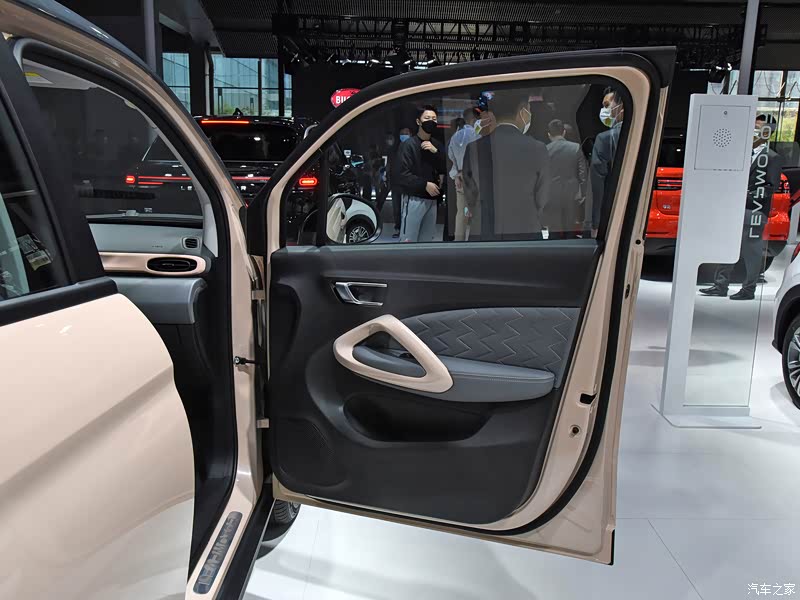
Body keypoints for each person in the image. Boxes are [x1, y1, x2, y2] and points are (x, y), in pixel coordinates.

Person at [700, 114, 784, 300]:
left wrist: (745, 196)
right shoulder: (740, 153)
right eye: (753, 127)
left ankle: (748, 289)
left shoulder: (772, 158)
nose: (754, 131)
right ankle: (720, 285)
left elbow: (770, 187)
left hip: (753, 210)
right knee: (727, 245)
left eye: (758, 128)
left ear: (768, 132)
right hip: (733, 208)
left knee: (751, 251)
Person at [462, 89, 550, 240]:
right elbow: (543, 197)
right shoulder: (538, 148)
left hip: (484, 230)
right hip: (526, 229)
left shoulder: (473, 148)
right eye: (529, 109)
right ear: (522, 111)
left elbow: (470, 195)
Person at [396, 106, 446, 242]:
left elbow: (445, 168)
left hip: (432, 199)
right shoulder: (408, 145)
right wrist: (424, 184)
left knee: (427, 241)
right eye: (427, 118)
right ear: (418, 121)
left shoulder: (437, 145)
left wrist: (436, 152)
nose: (431, 121)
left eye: (434, 119)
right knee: (408, 239)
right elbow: (402, 174)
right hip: (414, 198)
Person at [543, 119, 586, 239]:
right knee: (570, 228)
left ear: (549, 134)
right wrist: (583, 194)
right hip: (572, 194)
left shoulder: (544, 150)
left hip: (551, 194)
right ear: (564, 132)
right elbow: (582, 174)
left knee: (554, 230)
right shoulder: (576, 148)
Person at [590, 87, 624, 237]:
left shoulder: (604, 139)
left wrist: (596, 222)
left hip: (612, 210)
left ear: (621, 106)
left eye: (606, 105)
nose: (604, 110)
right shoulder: (645, 135)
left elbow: (598, 186)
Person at [447, 107, 481, 240]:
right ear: (474, 119)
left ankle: (459, 242)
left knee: (462, 212)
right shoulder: (477, 135)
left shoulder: (455, 136)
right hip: (475, 178)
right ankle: (474, 241)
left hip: (460, 178)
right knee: (477, 211)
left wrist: (456, 174)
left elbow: (451, 157)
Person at [385, 127, 412, 238]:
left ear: (410, 135)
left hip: (408, 183)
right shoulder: (395, 149)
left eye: (406, 133)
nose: (404, 135)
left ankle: (408, 229)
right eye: (402, 133)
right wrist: (387, 177)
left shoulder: (414, 148)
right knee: (396, 207)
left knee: (408, 207)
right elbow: (389, 164)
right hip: (396, 183)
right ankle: (398, 228)